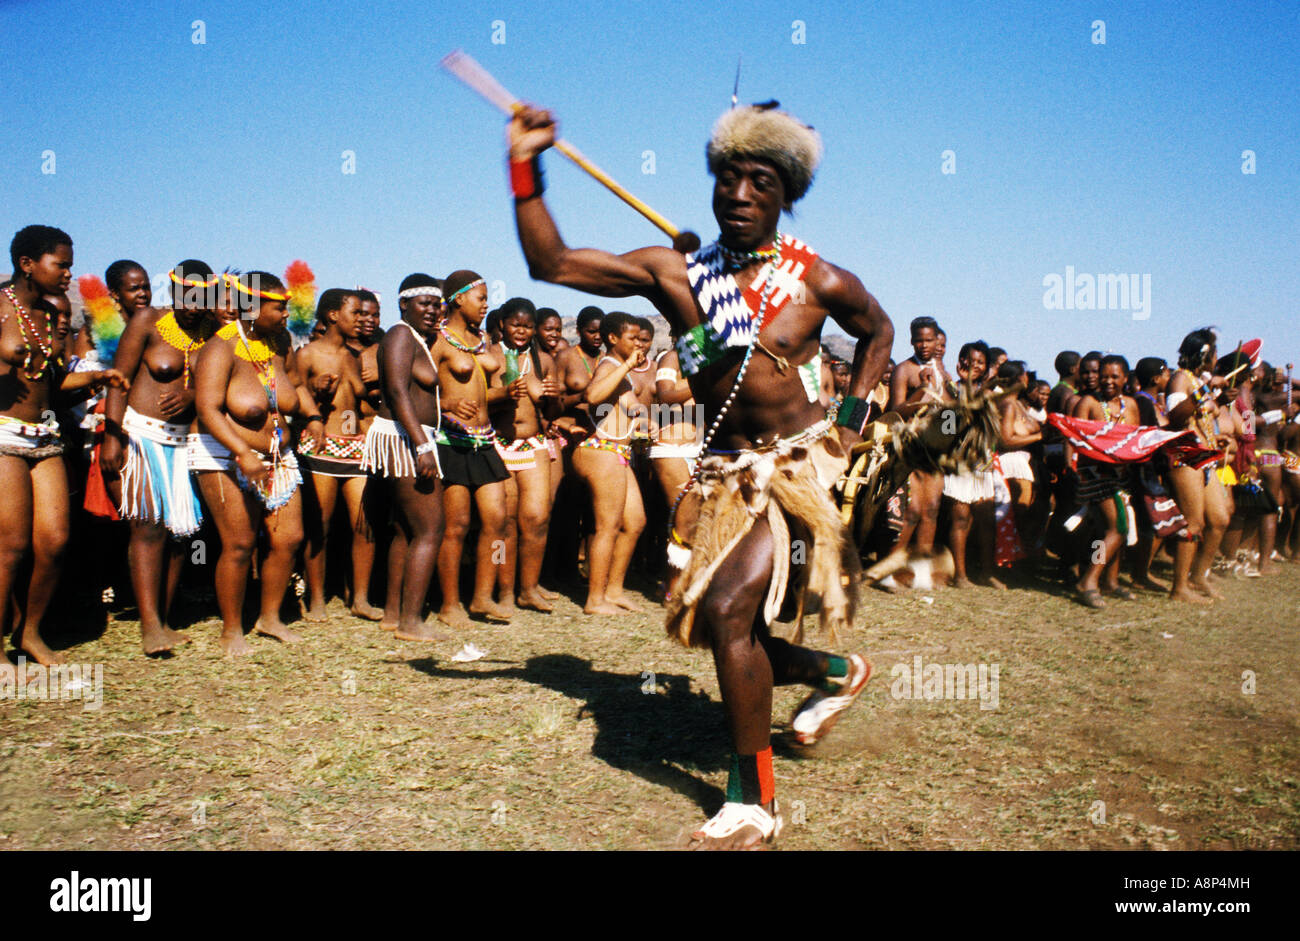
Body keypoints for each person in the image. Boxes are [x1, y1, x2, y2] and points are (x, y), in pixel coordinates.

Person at [507, 98, 893, 847]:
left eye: (760, 183)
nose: (740, 196)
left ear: (786, 196)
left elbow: (877, 330)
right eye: (728, 179)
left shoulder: (818, 280)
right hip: (724, 472)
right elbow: (548, 263)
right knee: (720, 626)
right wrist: (526, 163)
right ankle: (840, 669)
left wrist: (852, 418)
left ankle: (753, 801)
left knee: (726, 615)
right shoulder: (677, 275)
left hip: (795, 467)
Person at [1, 226, 127, 673]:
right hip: (4, 435)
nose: (69, 274)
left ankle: (30, 633)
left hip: (45, 435)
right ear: (27, 264)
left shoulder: (49, 315)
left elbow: (53, 384)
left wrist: (98, 377)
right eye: (62, 264)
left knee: (54, 541)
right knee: (11, 546)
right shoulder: (0, 308)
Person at [191, 271, 312, 655]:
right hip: (224, 453)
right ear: (252, 307)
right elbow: (208, 409)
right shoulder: (220, 348)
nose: (286, 315)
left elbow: (296, 386)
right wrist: (243, 452)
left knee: (288, 538)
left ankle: (270, 618)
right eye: (279, 308)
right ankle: (231, 629)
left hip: (279, 454)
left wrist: (314, 418)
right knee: (239, 543)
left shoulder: (280, 342)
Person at [101, 260, 215, 655]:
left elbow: (214, 388)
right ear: (175, 289)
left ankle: (165, 619)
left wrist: (191, 395)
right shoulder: (148, 321)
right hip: (140, 437)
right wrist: (111, 439)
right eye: (189, 296)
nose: (196, 305)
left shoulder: (211, 333)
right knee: (147, 528)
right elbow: (119, 381)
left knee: (180, 534)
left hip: (184, 442)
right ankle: (150, 627)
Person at [360, 273, 445, 641]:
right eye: (423, 304)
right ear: (404, 305)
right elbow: (395, 391)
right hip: (406, 440)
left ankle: (394, 614)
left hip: (409, 438)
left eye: (436, 304)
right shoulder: (399, 335)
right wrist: (422, 445)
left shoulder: (414, 339)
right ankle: (412, 622)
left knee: (405, 529)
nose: (432, 310)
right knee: (430, 529)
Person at [295, 289, 383, 621]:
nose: (363, 320)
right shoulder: (307, 355)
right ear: (333, 315)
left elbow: (361, 402)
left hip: (356, 446)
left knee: (365, 524)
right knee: (320, 524)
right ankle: (316, 599)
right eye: (355, 313)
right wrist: (315, 393)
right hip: (322, 446)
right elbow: (293, 403)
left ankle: (359, 598)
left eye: (365, 314)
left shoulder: (353, 356)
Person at [432, 269, 512, 627]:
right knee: (457, 526)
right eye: (480, 298)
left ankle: (482, 597)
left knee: (497, 520)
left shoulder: (481, 343)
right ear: (459, 299)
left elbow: (486, 391)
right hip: (451, 443)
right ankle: (450, 604)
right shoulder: (437, 341)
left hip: (485, 440)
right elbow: (415, 389)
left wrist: (507, 393)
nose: (486, 305)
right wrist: (446, 405)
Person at [489, 296, 562, 612]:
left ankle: (528, 588)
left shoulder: (543, 359)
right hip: (497, 444)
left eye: (528, 326)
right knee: (502, 522)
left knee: (537, 518)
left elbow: (554, 410)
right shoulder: (489, 357)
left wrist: (553, 396)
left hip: (532, 445)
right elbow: (477, 401)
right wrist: (503, 395)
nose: (521, 331)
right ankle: (501, 590)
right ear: (502, 325)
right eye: (516, 324)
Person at [573, 311, 649, 614]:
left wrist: (646, 420)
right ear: (613, 338)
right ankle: (595, 599)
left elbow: (630, 407)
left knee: (635, 522)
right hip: (601, 451)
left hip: (617, 452)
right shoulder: (609, 365)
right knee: (608, 526)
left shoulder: (620, 369)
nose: (638, 343)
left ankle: (614, 590)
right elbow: (592, 395)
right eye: (632, 338)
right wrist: (629, 366)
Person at [1164, 328, 1232, 602]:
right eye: (1214, 352)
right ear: (1204, 355)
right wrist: (1205, 389)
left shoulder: (1195, 380)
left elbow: (1207, 416)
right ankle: (1179, 588)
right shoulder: (1181, 379)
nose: (1217, 357)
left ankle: (1198, 577)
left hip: (1204, 457)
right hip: (1186, 454)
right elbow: (1177, 417)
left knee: (1219, 519)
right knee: (1193, 523)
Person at [1069, 354, 1140, 607]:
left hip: (1121, 476)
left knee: (1108, 531)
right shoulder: (1088, 402)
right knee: (1117, 527)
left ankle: (1109, 581)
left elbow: (1135, 440)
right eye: (1104, 376)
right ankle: (1087, 582)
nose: (1108, 381)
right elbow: (1074, 438)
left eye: (1114, 376)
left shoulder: (1130, 405)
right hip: (1095, 475)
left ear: (1125, 378)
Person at [887, 316, 949, 585]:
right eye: (918, 340)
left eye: (929, 340)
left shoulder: (942, 371)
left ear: (938, 341)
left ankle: (921, 571)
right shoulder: (904, 370)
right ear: (911, 341)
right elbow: (894, 410)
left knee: (932, 510)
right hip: (910, 445)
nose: (924, 345)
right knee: (910, 511)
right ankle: (890, 572)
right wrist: (922, 389)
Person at [942, 341, 1002, 588]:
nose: (974, 366)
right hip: (958, 462)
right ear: (960, 362)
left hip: (982, 462)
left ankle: (987, 572)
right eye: (970, 360)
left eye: (980, 363)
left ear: (987, 367)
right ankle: (960, 576)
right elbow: (947, 429)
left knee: (987, 520)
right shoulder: (948, 391)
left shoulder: (989, 394)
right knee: (960, 519)